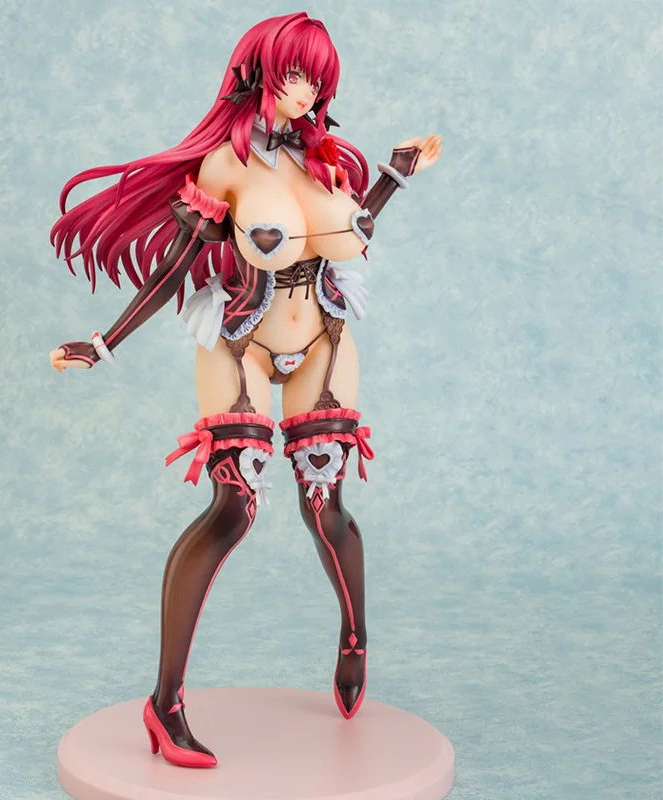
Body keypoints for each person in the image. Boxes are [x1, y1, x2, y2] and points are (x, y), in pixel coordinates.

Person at [49, 11, 441, 769]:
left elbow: (351, 232)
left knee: (325, 506)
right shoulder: (223, 169)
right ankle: (165, 702)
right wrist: (104, 343)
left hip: (324, 334)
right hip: (243, 341)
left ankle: (355, 635)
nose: (305, 94)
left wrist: (393, 176)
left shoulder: (325, 160)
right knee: (234, 507)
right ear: (257, 72)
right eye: (294, 76)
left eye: (317, 82)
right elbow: (174, 265)